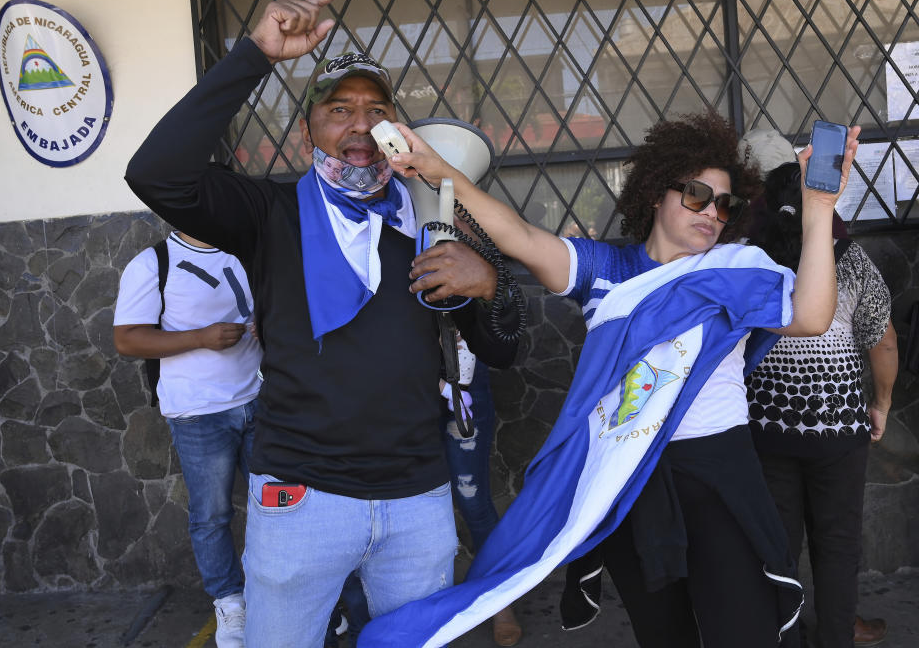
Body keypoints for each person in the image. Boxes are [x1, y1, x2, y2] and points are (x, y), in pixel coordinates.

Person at [123, 0, 519, 648]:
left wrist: (489, 287)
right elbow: (156, 173)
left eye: (375, 111)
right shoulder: (268, 214)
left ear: (398, 129)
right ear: (308, 131)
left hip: (418, 500)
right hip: (298, 499)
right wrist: (254, 55)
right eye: (339, 111)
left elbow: (504, 348)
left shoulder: (434, 222)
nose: (359, 126)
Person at [381, 111, 860, 647]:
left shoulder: (737, 267)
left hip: (722, 475)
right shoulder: (603, 270)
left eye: (727, 205)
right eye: (698, 195)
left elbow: (812, 316)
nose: (713, 213)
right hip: (632, 478)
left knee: (744, 633)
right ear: (657, 192)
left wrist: (820, 211)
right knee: (665, 636)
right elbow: (517, 235)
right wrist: (439, 168)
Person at [744, 133, 898, 648]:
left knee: (777, 547)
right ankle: (837, 635)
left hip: (765, 429)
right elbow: (884, 342)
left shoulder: (747, 263)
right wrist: (881, 403)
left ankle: (782, 638)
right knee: (838, 544)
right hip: (838, 431)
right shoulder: (849, 261)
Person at [113, 231, 261, 647]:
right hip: (199, 412)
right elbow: (127, 339)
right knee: (212, 515)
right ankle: (230, 603)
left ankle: (282, 593)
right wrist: (200, 337)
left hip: (261, 398)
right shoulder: (152, 263)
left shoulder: (247, 248)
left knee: (280, 509)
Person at [440, 335, 522, 646]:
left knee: (472, 498)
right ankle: (434, 609)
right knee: (419, 502)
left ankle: (500, 604)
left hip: (463, 375)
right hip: (406, 381)